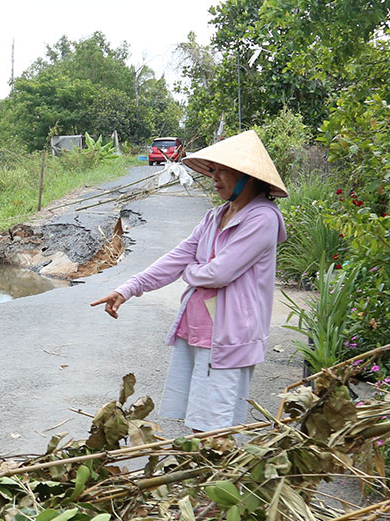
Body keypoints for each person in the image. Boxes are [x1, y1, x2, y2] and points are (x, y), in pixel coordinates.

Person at [91, 129, 287, 433]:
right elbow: (177, 257)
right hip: (198, 331)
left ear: (248, 176)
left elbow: (219, 273)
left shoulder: (262, 218)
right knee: (200, 420)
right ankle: (207, 476)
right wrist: (127, 289)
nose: (214, 177)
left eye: (223, 171)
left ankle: (213, 477)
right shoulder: (215, 216)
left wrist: (191, 271)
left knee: (214, 427)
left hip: (228, 336)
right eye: (213, 170)